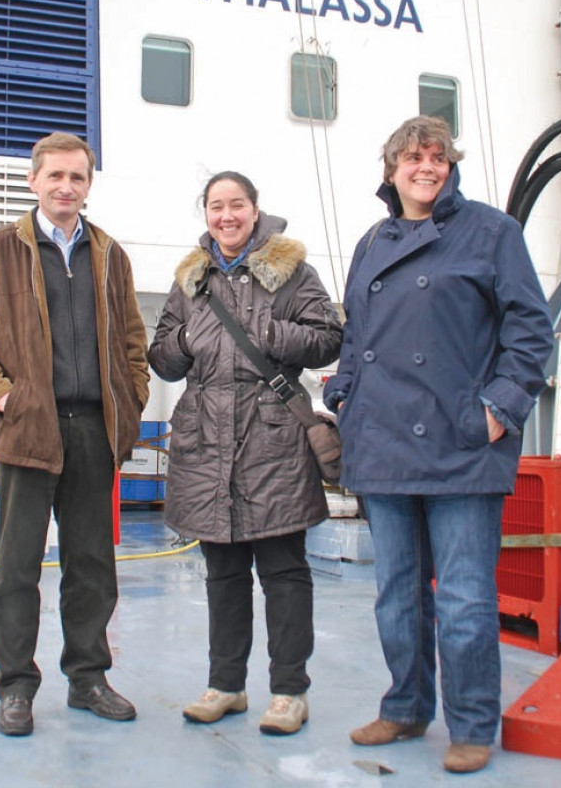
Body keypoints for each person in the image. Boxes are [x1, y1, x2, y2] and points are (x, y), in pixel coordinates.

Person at [323, 116, 554, 774]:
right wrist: (344, 391)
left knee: (463, 596)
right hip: (383, 441)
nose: (426, 168)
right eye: (413, 158)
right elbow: (356, 334)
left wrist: (499, 409)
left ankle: (474, 722)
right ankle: (404, 708)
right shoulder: (374, 241)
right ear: (391, 168)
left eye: (438, 158)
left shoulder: (491, 232)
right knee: (396, 593)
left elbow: (531, 330)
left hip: (461, 441)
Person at [0, 131, 150, 737]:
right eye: (54, 176)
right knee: (17, 568)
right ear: (34, 181)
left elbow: (132, 341)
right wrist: (3, 396)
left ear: (88, 185)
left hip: (93, 431)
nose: (66, 187)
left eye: (77, 177)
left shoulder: (110, 255)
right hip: (28, 429)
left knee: (92, 564)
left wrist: (131, 400)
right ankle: (15, 687)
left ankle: (88, 679)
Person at [148, 171, 343, 736]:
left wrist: (268, 333)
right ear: (205, 214)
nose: (227, 216)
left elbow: (328, 336)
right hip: (207, 439)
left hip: (273, 436)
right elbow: (163, 359)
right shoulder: (190, 280)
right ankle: (226, 684)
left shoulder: (292, 270)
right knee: (223, 570)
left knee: (283, 569)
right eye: (216, 206)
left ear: (255, 211)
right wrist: (188, 340)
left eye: (237, 205)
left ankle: (289, 691)